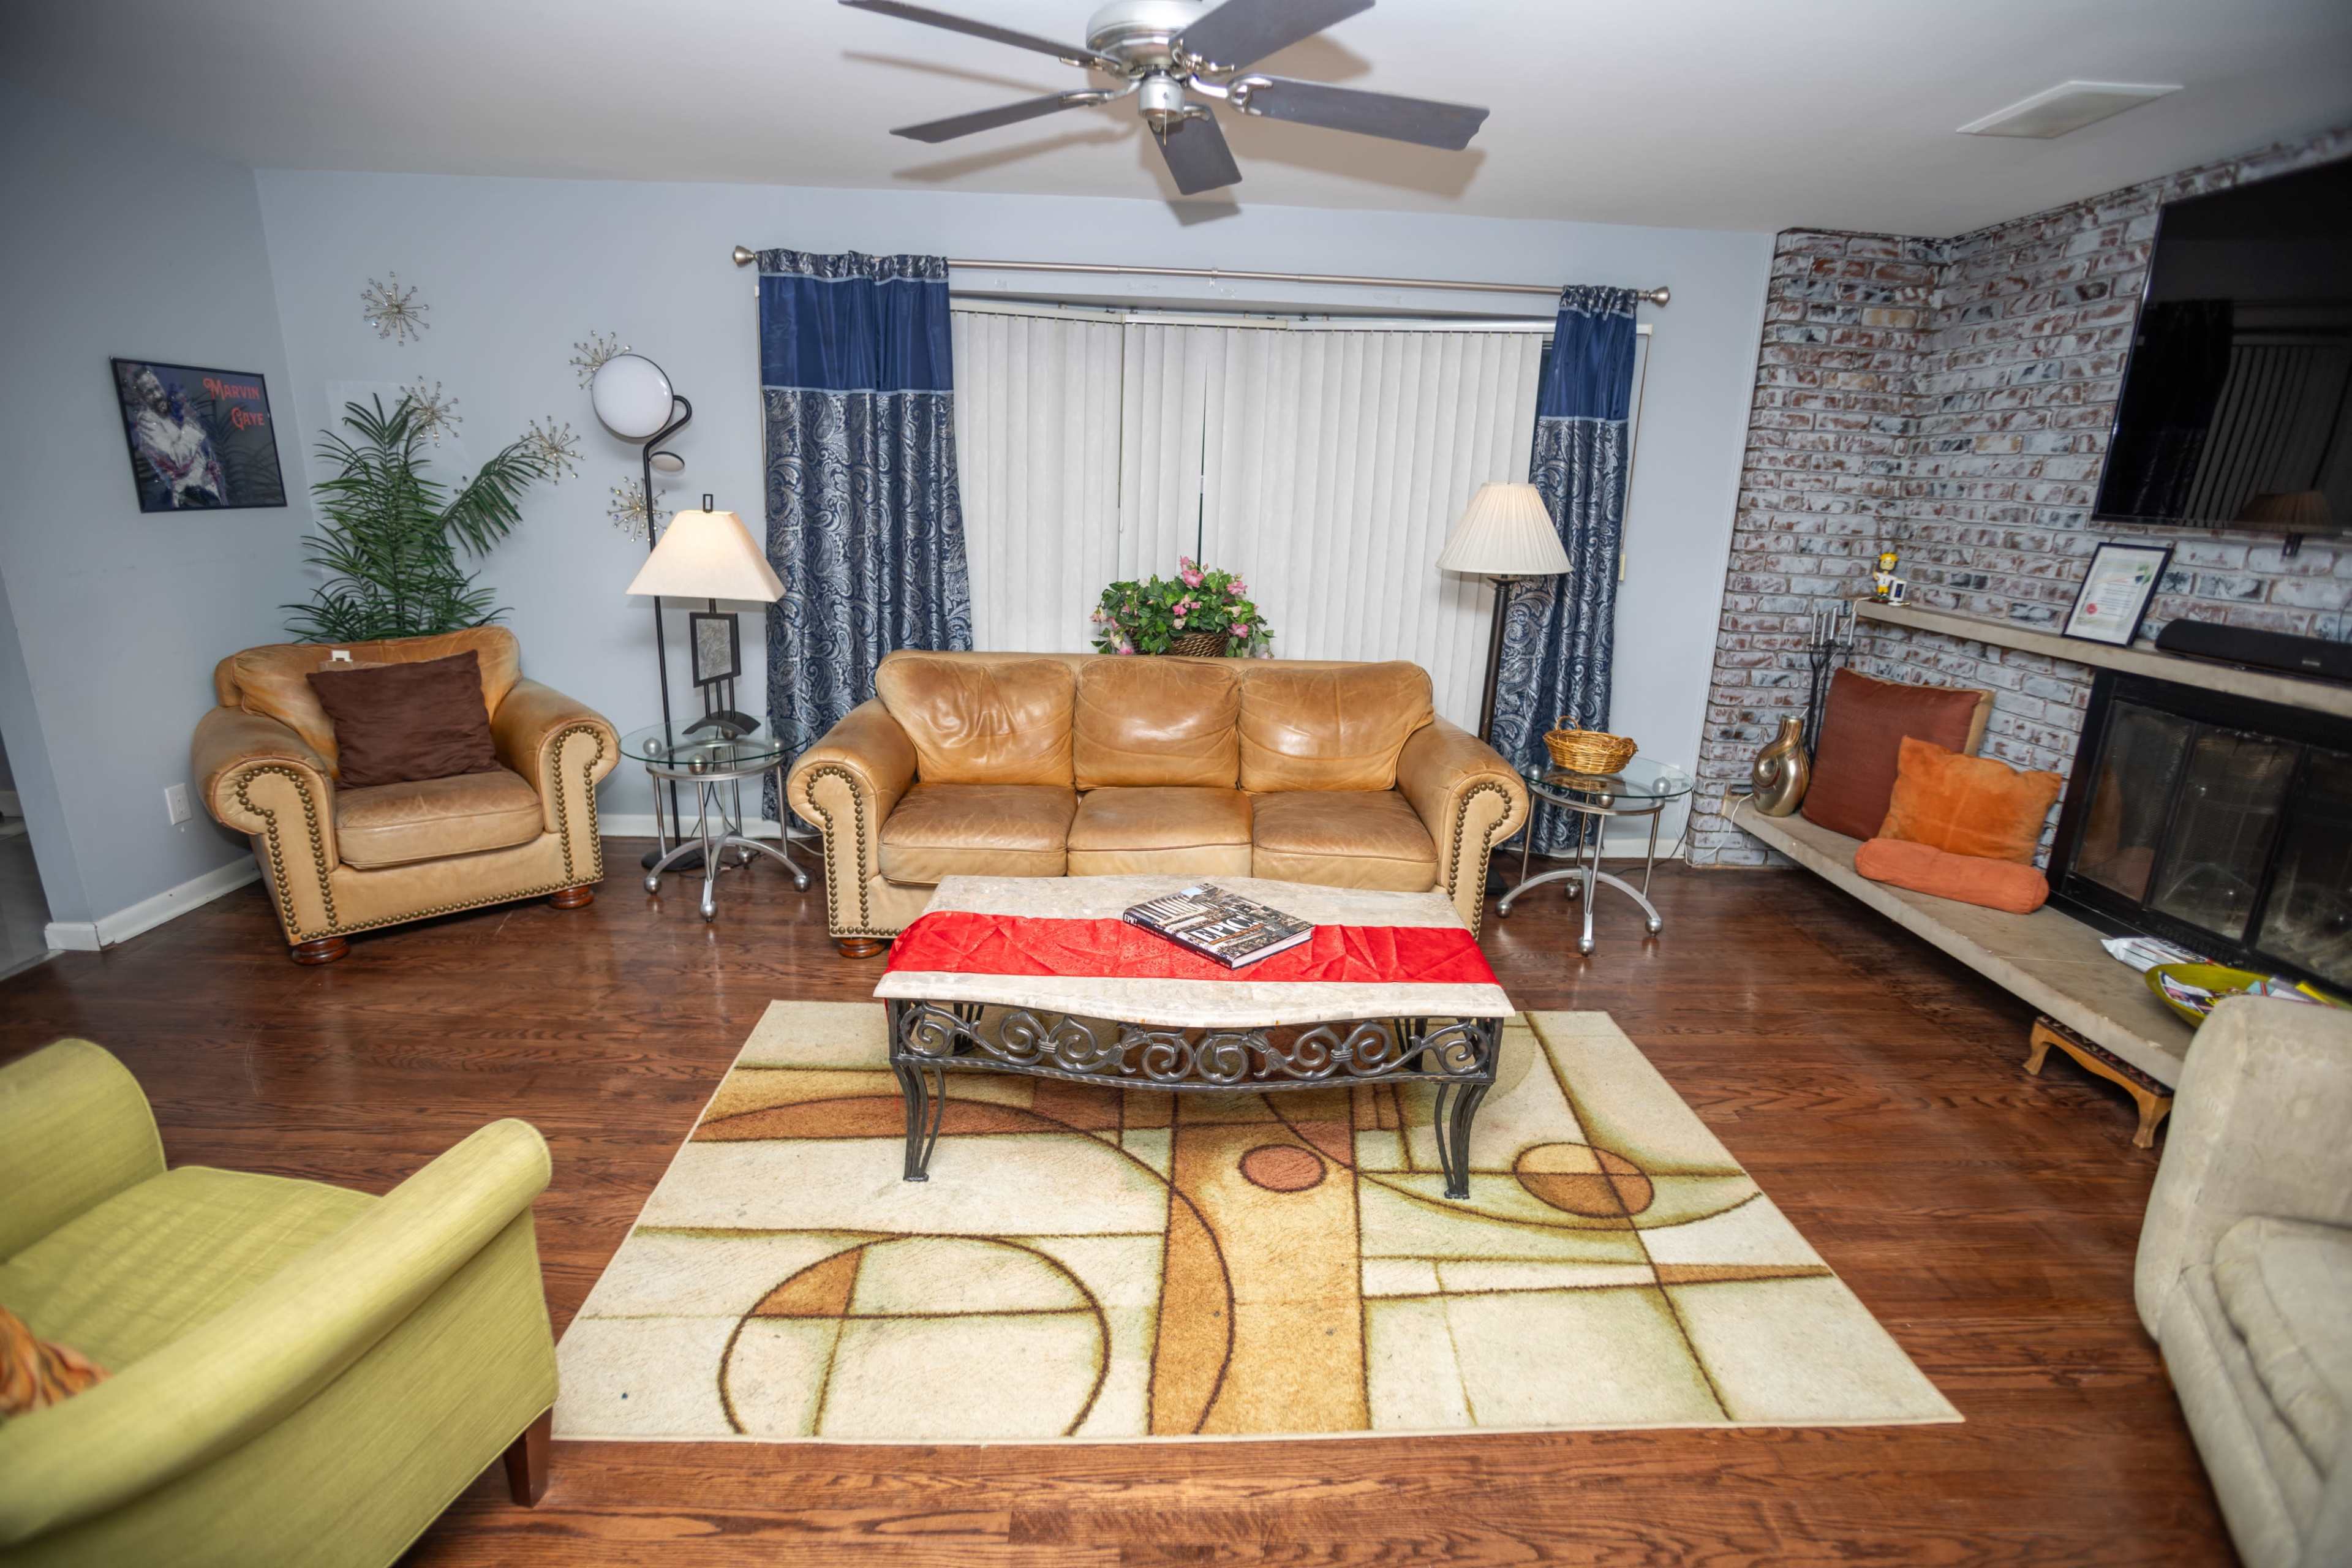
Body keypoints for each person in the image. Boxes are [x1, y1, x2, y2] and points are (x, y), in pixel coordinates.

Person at [124, 367, 225, 507]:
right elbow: (178, 461)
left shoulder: (169, 416)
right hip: (191, 499)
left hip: (207, 495)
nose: (158, 395)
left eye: (157, 388)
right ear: (141, 398)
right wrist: (190, 423)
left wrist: (209, 467)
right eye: (150, 392)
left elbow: (192, 454)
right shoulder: (146, 422)